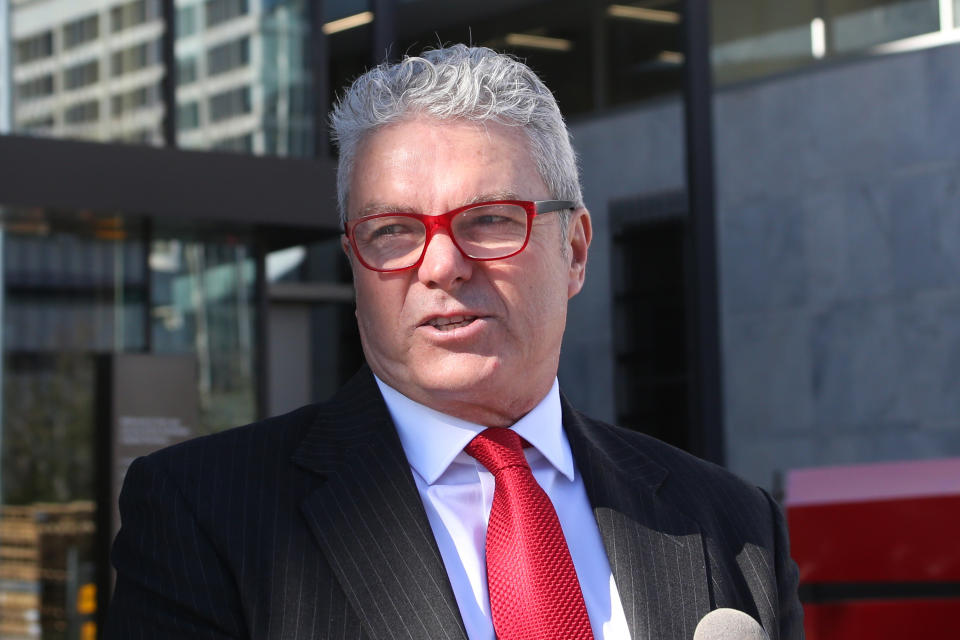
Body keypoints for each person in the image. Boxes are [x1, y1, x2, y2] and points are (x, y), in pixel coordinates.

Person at [105, 45, 803, 640]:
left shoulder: (733, 527)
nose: (441, 265)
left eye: (491, 220)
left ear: (577, 250)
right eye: (394, 232)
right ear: (355, 267)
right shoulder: (206, 514)